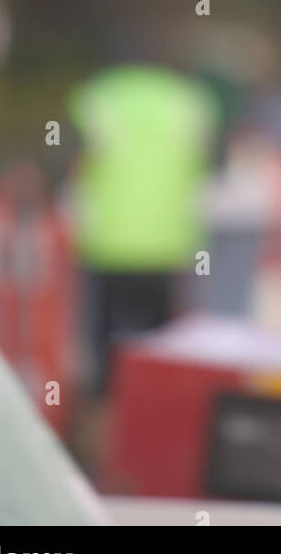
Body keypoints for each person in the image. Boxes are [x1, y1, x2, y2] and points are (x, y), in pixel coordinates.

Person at [68, 64, 219, 393]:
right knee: (162, 344)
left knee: (104, 338)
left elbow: (77, 159)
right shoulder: (191, 103)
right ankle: (153, 402)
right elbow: (207, 164)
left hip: (109, 240)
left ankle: (105, 405)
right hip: (168, 243)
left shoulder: (99, 97)